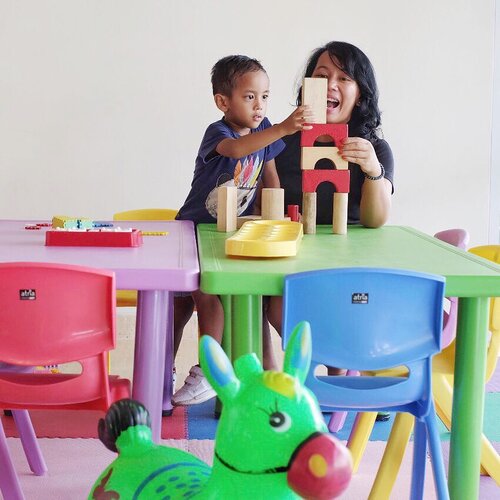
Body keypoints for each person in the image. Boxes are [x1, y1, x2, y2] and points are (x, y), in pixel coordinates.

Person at [172, 54, 312, 406]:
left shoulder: (264, 136)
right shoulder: (218, 133)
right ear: (223, 101)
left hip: (227, 235)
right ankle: (176, 370)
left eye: (265, 96)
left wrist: (276, 215)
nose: (260, 105)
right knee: (185, 306)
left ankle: (209, 368)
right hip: (194, 229)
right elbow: (236, 150)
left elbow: (270, 178)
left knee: (214, 297)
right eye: (250, 97)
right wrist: (281, 128)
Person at [265, 41, 395, 420]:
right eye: (321, 76)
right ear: (307, 86)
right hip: (293, 262)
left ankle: (342, 371)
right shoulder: (283, 140)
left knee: (342, 309)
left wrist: (373, 169)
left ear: (361, 93)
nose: (331, 85)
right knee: (273, 302)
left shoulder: (374, 147)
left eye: (344, 77)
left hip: (349, 265)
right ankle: (293, 376)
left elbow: (375, 220)